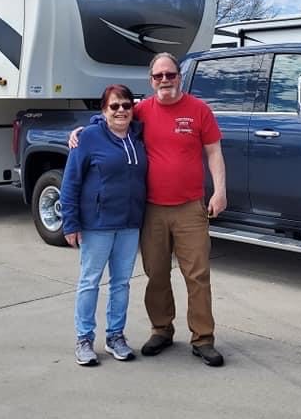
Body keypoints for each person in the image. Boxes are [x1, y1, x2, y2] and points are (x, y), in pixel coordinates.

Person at [70, 52, 227, 367]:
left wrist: (220, 190)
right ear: (151, 80)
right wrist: (80, 130)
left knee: (197, 274)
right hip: (151, 209)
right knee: (156, 274)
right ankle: (161, 330)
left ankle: (203, 338)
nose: (165, 80)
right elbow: (111, 115)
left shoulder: (199, 110)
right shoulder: (141, 110)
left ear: (179, 76)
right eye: (159, 76)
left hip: (190, 207)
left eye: (170, 74)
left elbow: (213, 152)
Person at [60, 84, 147, 367]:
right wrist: (70, 224)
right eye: (114, 106)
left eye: (126, 105)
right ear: (103, 110)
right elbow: (71, 182)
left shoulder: (138, 135)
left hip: (129, 223)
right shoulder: (88, 138)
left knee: (121, 284)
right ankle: (84, 339)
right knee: (90, 282)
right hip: (96, 224)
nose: (121, 110)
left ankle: (115, 336)